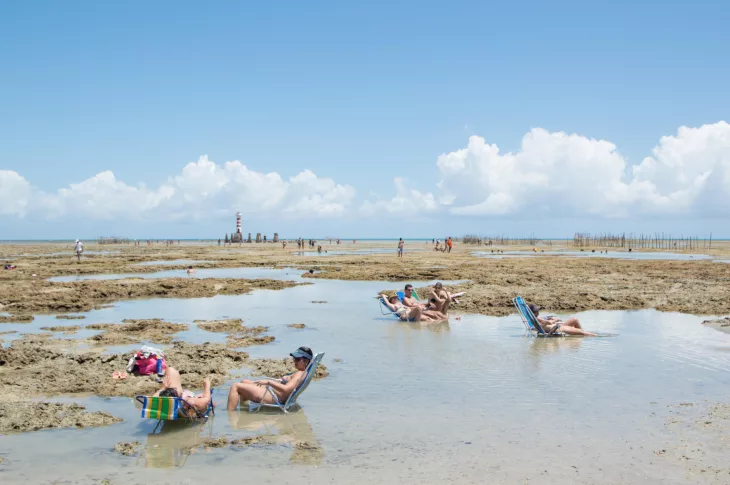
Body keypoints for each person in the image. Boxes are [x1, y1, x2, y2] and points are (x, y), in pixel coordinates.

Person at [227, 346, 314, 410]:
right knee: (244, 381)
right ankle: (244, 408)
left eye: (298, 359)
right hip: (273, 392)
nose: (295, 361)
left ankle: (230, 416)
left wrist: (268, 382)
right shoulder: (302, 372)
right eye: (294, 359)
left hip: (273, 397)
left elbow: (286, 389)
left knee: (235, 386)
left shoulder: (299, 374)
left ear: (306, 361)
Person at [528, 303, 596, 336]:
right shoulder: (536, 318)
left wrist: (549, 319)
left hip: (557, 327)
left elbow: (544, 322)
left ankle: (581, 334)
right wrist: (555, 320)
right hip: (558, 328)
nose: (538, 311)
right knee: (582, 333)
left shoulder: (533, 318)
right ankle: (595, 336)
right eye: (537, 310)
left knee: (575, 320)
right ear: (533, 313)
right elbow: (549, 323)